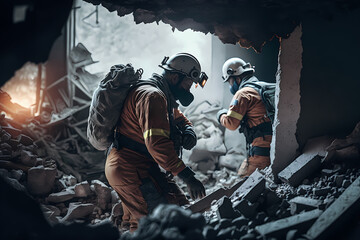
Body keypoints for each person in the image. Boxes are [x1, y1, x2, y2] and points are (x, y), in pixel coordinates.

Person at [105, 53, 207, 231]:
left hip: (141, 165)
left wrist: (187, 128)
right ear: (175, 77)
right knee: (153, 225)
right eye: (187, 84)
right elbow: (157, 144)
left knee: (179, 208)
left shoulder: (161, 96)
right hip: (130, 169)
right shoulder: (153, 96)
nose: (188, 90)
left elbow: (176, 115)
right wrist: (188, 177)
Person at [217, 57, 272, 177]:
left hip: (260, 153)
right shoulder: (261, 87)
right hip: (271, 148)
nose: (230, 85)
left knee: (246, 184)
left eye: (230, 81)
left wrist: (221, 114)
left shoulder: (243, 93)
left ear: (236, 77)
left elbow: (231, 124)